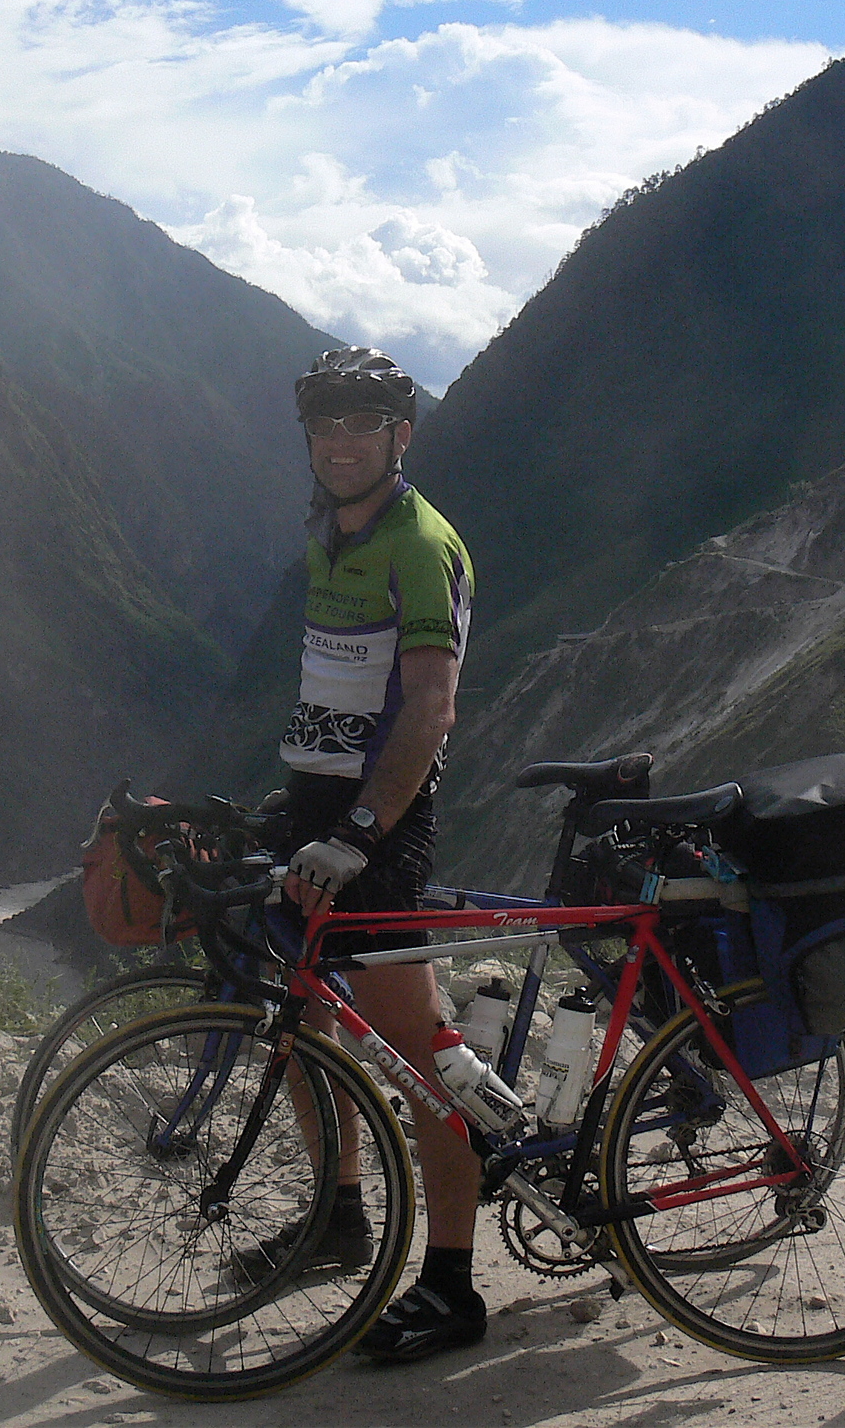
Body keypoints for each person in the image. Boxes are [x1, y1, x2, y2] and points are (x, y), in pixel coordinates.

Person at [254, 345, 486, 1364]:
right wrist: (289, 800)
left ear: (400, 437)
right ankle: (340, 1217)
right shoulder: (331, 535)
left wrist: (356, 834)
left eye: (363, 425)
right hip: (318, 809)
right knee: (299, 1019)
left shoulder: (418, 544)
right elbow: (339, 693)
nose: (340, 442)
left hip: (375, 832)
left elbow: (428, 708)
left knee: (427, 1060)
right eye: (325, 426)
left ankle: (451, 1283)